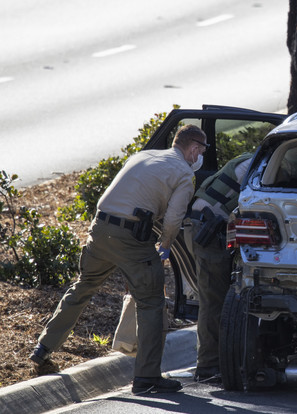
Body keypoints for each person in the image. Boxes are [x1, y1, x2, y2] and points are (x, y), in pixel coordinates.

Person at [29, 124, 208, 394]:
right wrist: (166, 244)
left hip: (99, 230)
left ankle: (43, 348)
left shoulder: (142, 156)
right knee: (151, 302)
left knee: (83, 286)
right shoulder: (183, 173)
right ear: (194, 148)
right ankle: (147, 378)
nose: (200, 157)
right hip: (132, 238)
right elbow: (173, 219)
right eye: (201, 151)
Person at [187, 152, 253, 384]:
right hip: (209, 229)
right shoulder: (265, 163)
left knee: (219, 296)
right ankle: (208, 366)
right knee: (214, 299)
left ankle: (224, 361)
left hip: (208, 224)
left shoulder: (250, 158)